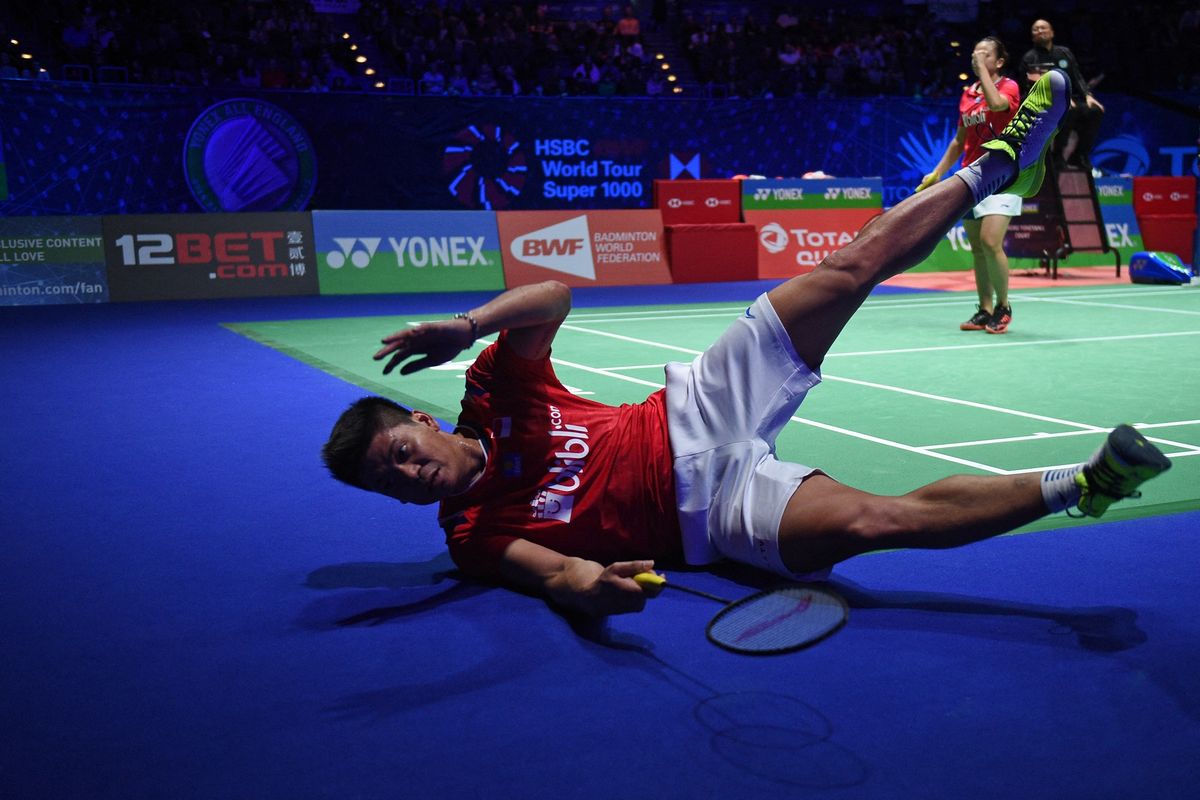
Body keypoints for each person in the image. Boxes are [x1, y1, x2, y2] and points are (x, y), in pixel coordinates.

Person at [322, 71, 1172, 618]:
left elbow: (554, 294)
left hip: (692, 407)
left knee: (845, 269)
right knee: (880, 521)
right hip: (710, 517)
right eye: (386, 482)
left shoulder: (487, 390)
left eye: (397, 450)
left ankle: (994, 164)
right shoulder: (471, 531)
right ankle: (1088, 484)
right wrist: (596, 588)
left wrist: (467, 326)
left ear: (417, 417)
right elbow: (550, 574)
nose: (405, 474)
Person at [918, 36, 1022, 334]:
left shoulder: (1008, 86)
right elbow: (959, 140)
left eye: (985, 53)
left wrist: (984, 74)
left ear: (999, 62)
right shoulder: (967, 95)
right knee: (977, 248)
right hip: (971, 176)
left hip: (1002, 173)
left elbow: (998, 105)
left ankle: (1003, 306)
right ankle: (984, 309)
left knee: (991, 241)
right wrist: (937, 173)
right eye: (975, 52)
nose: (977, 56)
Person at [1021, 19, 1105, 169]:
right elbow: (1035, 86)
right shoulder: (1030, 58)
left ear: (1052, 32)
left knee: (1095, 111)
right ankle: (1057, 155)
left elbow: (1076, 76)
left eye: (1043, 28)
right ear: (1032, 36)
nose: (1040, 31)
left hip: (1069, 99)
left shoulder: (1064, 52)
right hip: (1041, 102)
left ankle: (1079, 155)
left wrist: (1088, 95)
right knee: (1067, 110)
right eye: (1036, 29)